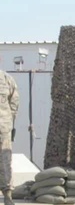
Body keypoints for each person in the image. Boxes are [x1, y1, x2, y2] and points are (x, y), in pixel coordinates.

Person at [0, 70, 19, 205]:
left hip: (3, 127)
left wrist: (9, 121)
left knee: (5, 161)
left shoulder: (6, 79)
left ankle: (7, 194)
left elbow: (14, 102)